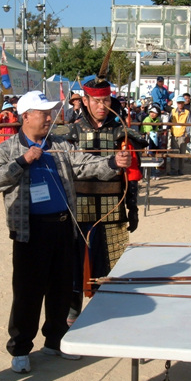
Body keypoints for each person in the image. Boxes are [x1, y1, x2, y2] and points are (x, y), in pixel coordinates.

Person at [0, 90, 132, 374]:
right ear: (25, 116)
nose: (49, 118)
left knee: (61, 288)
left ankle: (55, 339)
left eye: (50, 112)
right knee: (27, 292)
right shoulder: (6, 150)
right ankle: (21, 347)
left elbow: (85, 164)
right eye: (43, 113)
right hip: (30, 232)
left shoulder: (60, 145)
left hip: (63, 226)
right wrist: (22, 161)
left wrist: (113, 163)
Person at [64, 75, 145, 324]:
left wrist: (132, 206)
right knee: (74, 262)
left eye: (107, 100)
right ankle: (72, 311)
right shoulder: (72, 131)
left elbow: (132, 174)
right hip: (78, 205)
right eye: (97, 101)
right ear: (85, 101)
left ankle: (106, 311)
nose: (103, 106)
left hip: (113, 205)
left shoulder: (121, 130)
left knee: (110, 261)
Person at [169, 96, 191, 175]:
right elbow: (169, 121)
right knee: (174, 153)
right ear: (177, 104)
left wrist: (187, 135)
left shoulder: (187, 112)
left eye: (182, 103)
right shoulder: (172, 111)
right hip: (174, 134)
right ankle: (174, 170)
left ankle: (180, 170)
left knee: (182, 153)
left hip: (182, 135)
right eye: (179, 103)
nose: (180, 104)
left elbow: (188, 125)